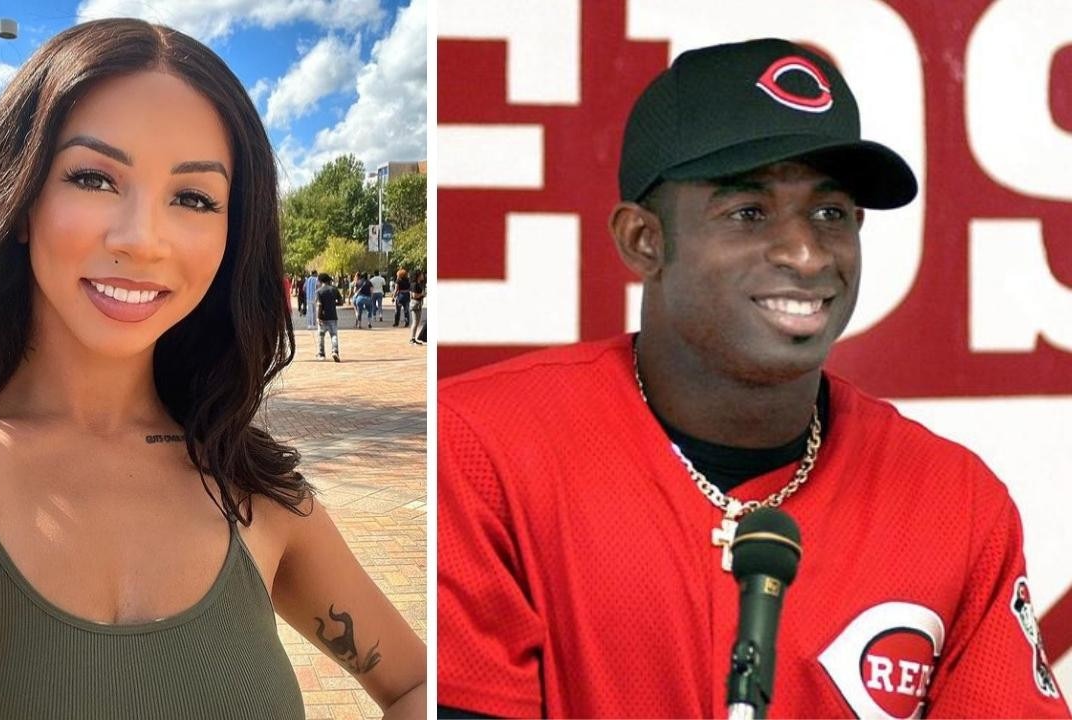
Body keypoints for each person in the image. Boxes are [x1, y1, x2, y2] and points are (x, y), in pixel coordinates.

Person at [0, 19, 425, 720]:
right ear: (21, 198)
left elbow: (417, 686)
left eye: (193, 198)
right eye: (94, 178)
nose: (140, 239)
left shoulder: (251, 489)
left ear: (230, 233)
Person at [437, 38, 1069, 718]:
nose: (804, 253)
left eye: (831, 214)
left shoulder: (956, 502)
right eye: (749, 212)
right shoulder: (483, 450)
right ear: (644, 241)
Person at [315, 273, 343, 362]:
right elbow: (341, 302)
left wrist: (318, 317)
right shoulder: (334, 289)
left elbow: (319, 305)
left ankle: (321, 354)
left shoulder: (319, 291)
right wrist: (333, 304)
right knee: (334, 335)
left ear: (320, 281)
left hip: (323, 317)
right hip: (333, 316)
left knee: (321, 336)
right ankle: (335, 351)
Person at [409, 273, 425, 345]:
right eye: (421, 275)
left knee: (417, 322)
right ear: (418, 276)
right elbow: (414, 295)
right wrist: (422, 294)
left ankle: (413, 338)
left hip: (417, 303)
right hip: (416, 303)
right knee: (415, 322)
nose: (423, 276)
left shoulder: (417, 284)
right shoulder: (415, 284)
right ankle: (412, 339)